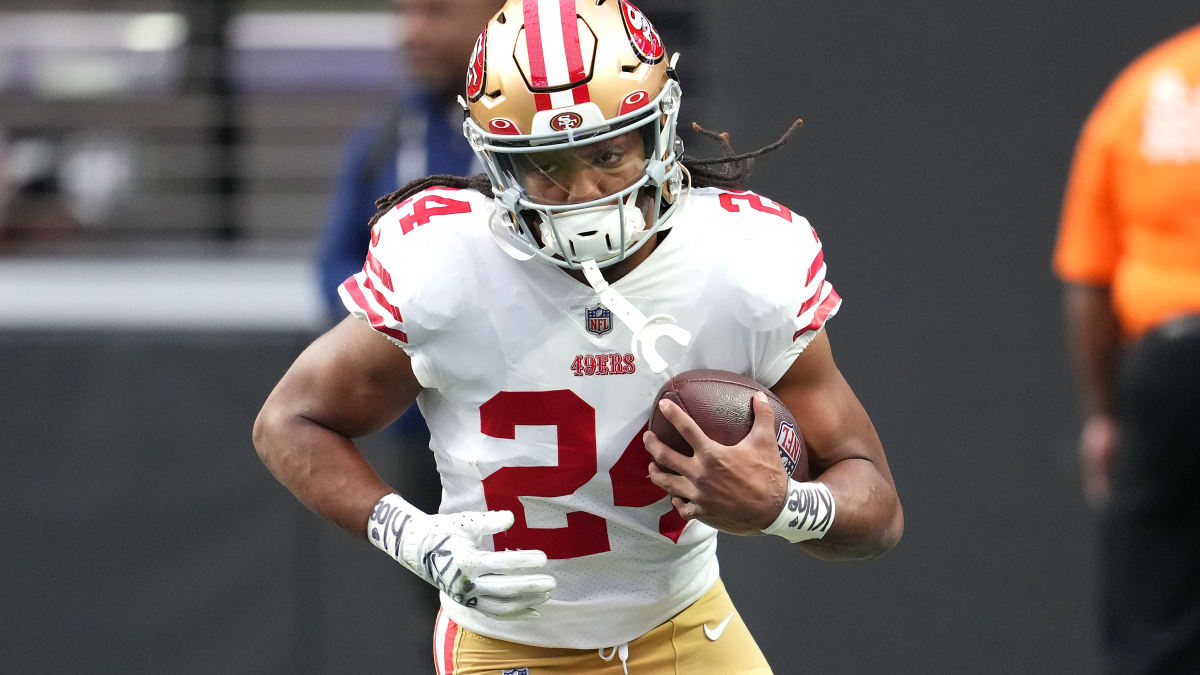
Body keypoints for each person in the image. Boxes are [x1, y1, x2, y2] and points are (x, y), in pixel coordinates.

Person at [256, 2, 903, 673]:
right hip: (506, 647)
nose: (582, 191)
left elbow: (876, 506)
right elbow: (289, 419)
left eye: (607, 153)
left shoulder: (742, 264)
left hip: (684, 626)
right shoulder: (449, 264)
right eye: (546, 164)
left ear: (659, 131)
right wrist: (415, 536)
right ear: (496, 163)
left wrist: (783, 504)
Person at [1054, 22, 1200, 675]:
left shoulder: (1141, 94)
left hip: (1170, 369)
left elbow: (1088, 281)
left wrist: (1106, 416)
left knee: (1156, 615)